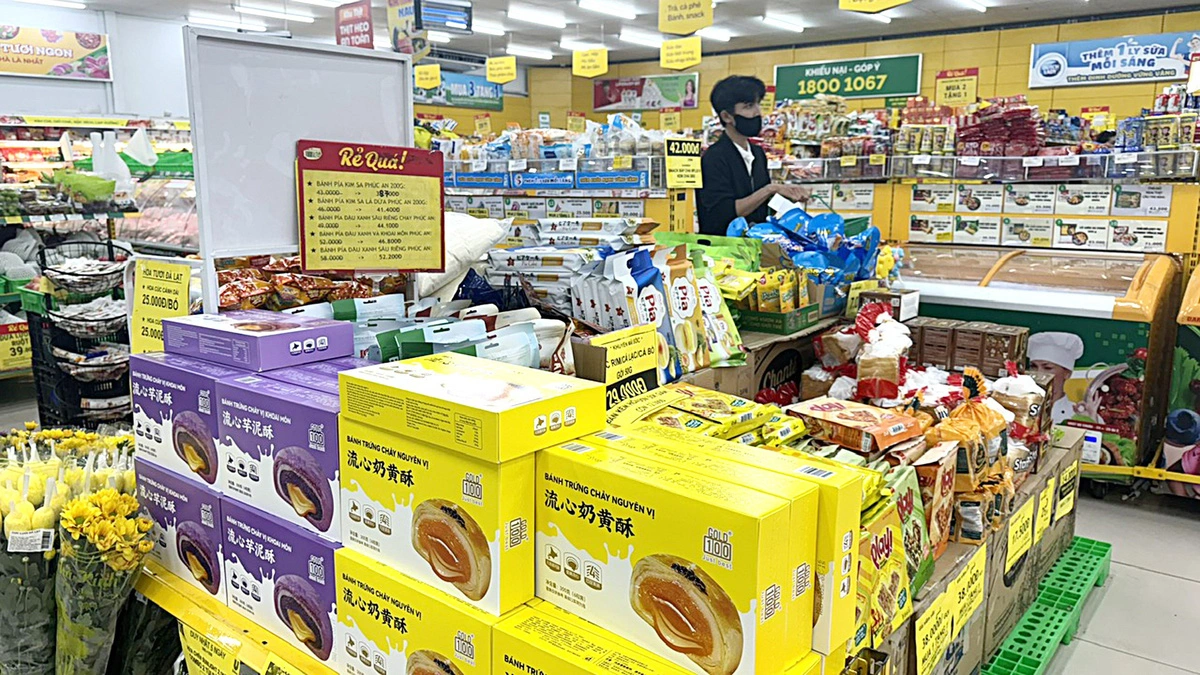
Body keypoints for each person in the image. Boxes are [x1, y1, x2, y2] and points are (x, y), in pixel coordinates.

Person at [696, 75, 810, 235]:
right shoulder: (713, 158)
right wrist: (769, 189)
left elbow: (761, 206)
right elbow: (725, 213)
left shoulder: (758, 153)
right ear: (726, 116)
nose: (758, 112)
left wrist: (789, 196)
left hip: (756, 242)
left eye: (758, 104)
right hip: (723, 246)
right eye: (749, 106)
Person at [1028, 331, 1085, 424]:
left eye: (1047, 368)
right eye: (1033, 366)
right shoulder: (1018, 408)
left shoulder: (1077, 415)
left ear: (1067, 373)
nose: (1038, 373)